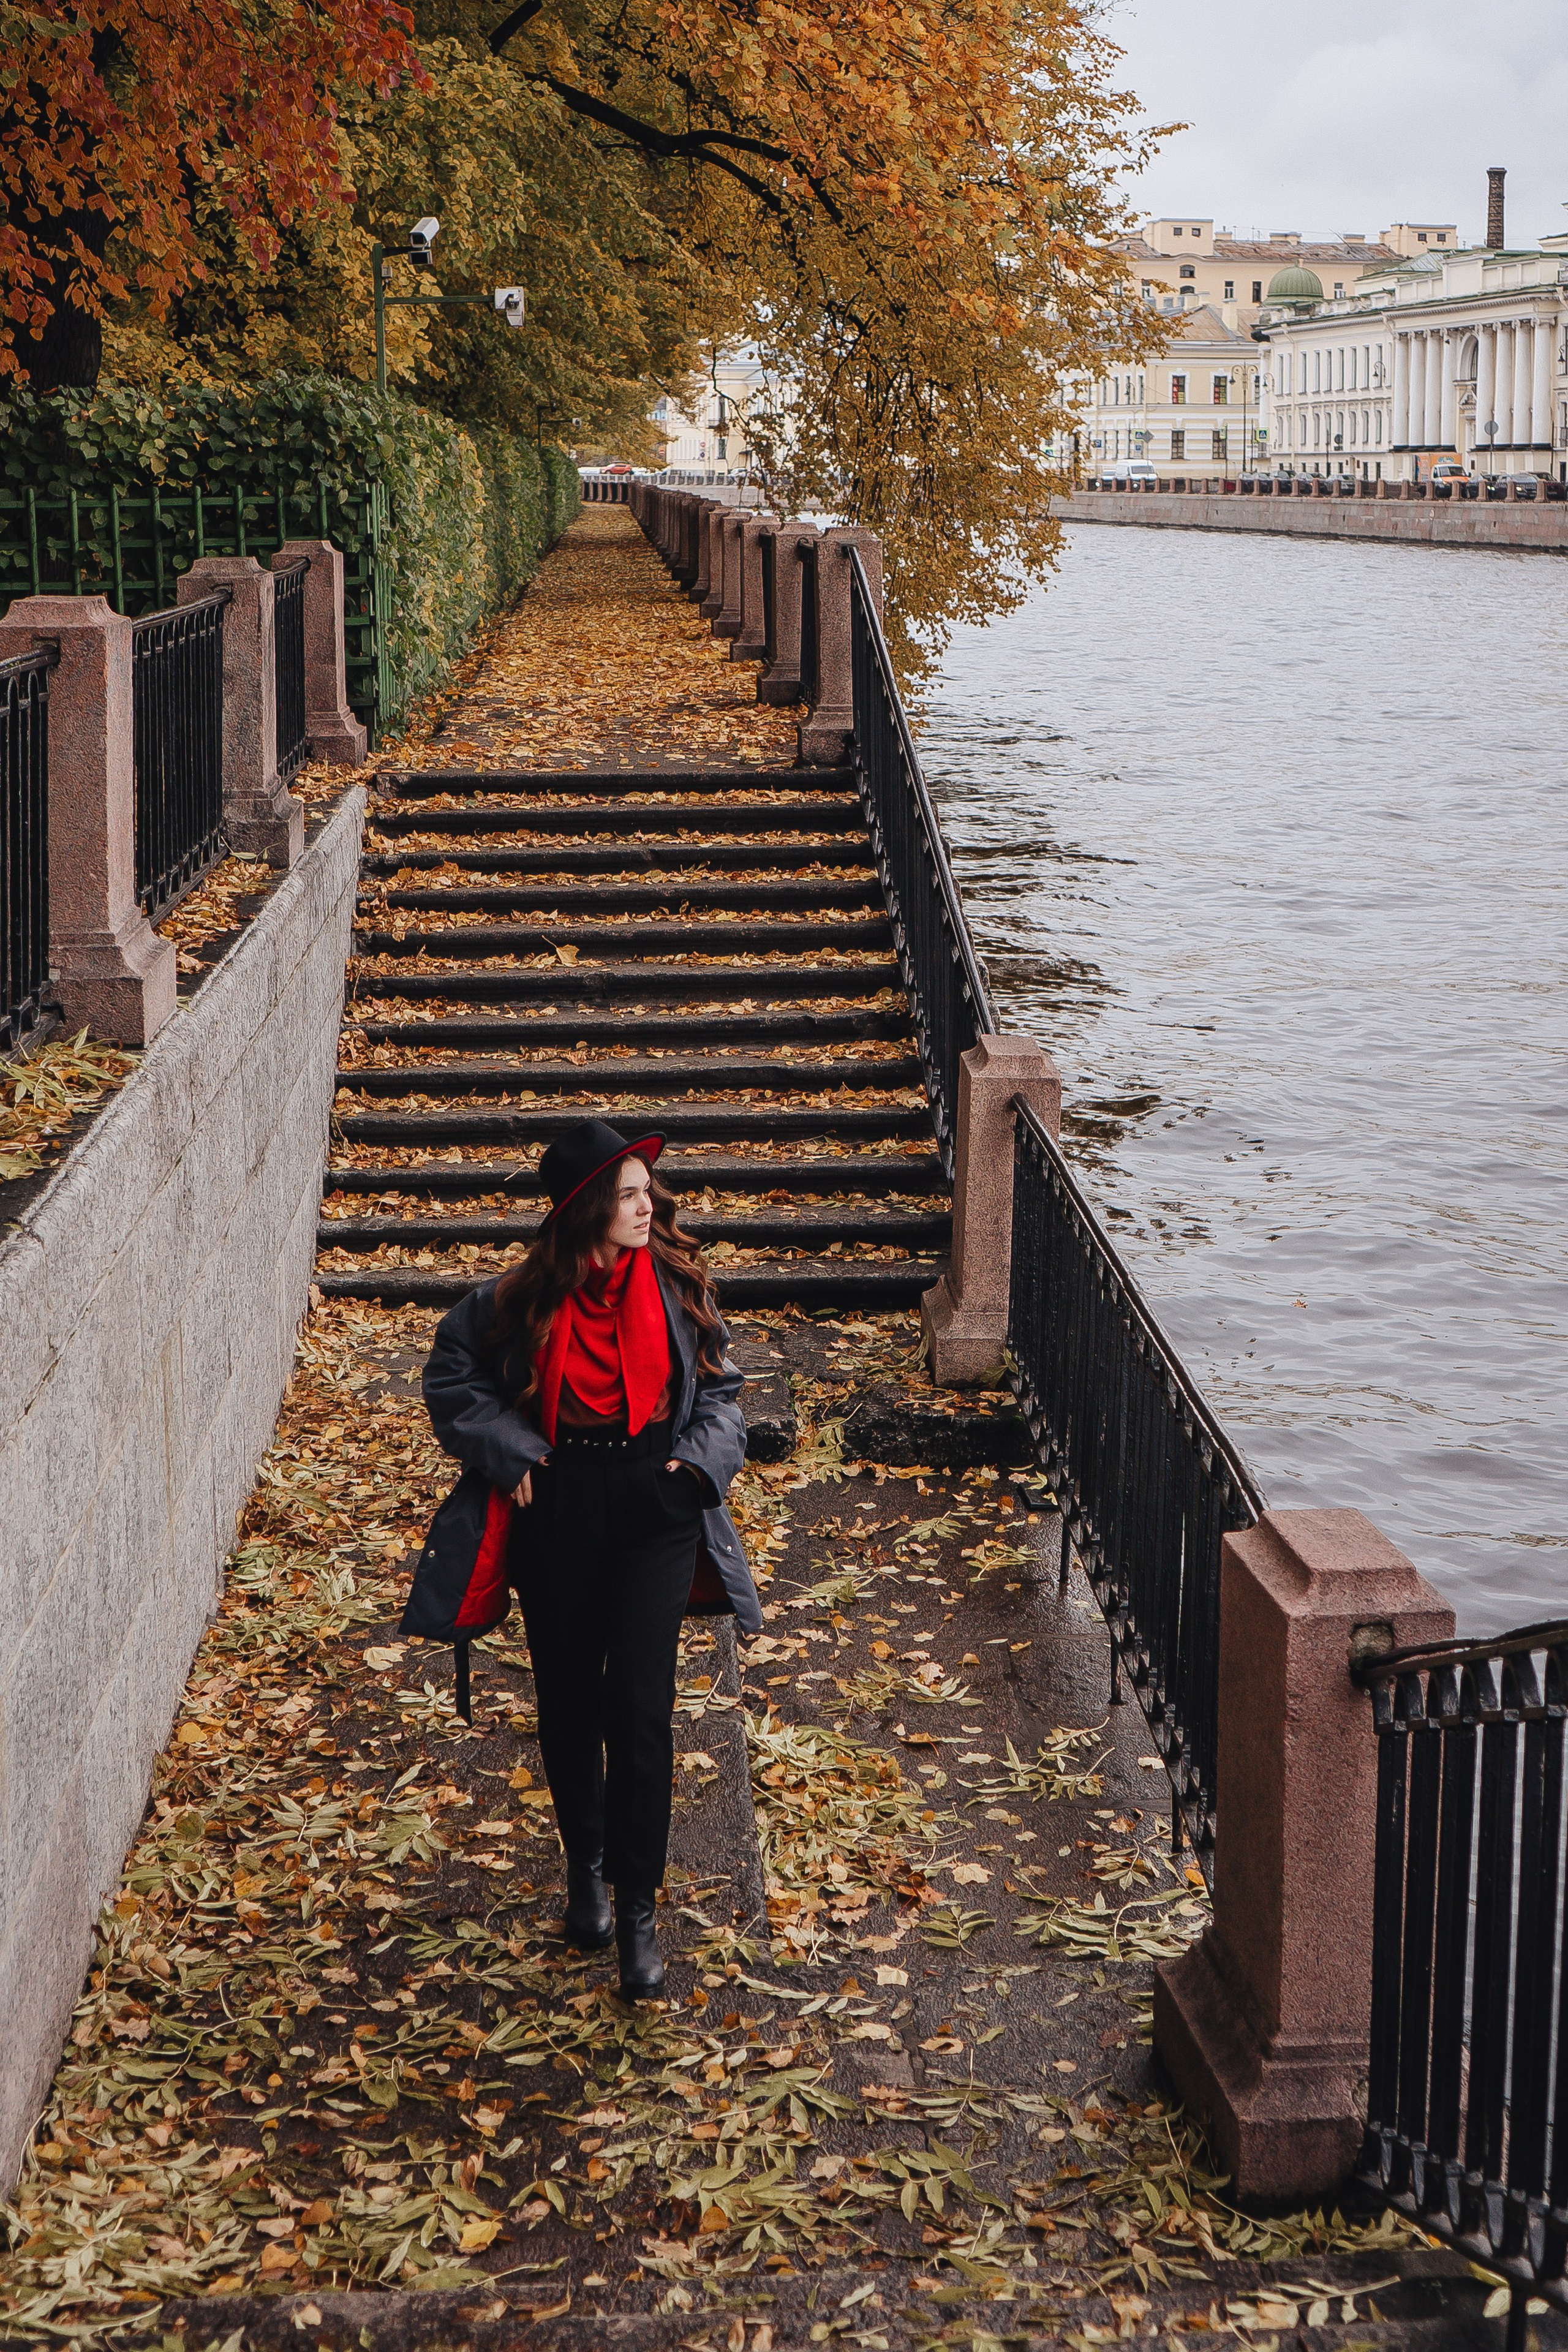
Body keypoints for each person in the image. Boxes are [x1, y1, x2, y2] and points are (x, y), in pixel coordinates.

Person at [420, 1118, 760, 1999]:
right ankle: (588, 1871)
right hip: (559, 1506)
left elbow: (721, 1391)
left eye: (650, 1191)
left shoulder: (681, 1282)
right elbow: (450, 1372)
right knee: (569, 1701)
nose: (648, 1207)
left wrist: (696, 1467)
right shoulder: (520, 1299)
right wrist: (508, 1448)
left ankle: (639, 1911)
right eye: (628, 1194)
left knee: (642, 1710)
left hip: (657, 1505)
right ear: (584, 1210)